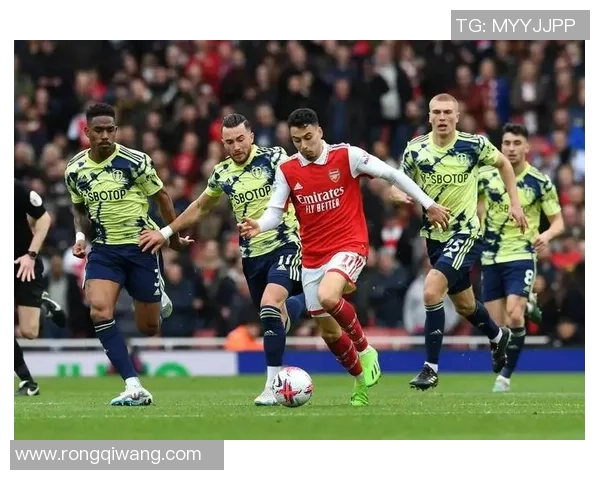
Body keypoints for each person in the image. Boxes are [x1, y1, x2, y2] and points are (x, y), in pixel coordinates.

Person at [239, 108, 450, 406]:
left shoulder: (347, 156)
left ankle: (365, 350)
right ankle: (360, 380)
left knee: (328, 296)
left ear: (320, 131)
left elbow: (391, 174)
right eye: (297, 140)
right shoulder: (288, 169)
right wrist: (259, 225)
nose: (304, 145)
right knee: (328, 331)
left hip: (349, 245)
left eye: (308, 137)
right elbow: (275, 212)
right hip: (312, 256)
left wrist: (428, 204)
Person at [140, 113, 306, 406]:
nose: (236, 146)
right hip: (251, 256)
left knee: (269, 306)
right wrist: (166, 232)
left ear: (251, 136)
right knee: (276, 316)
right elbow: (200, 207)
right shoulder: (222, 172)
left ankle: (272, 387)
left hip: (285, 245)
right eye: (229, 142)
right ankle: (309, 298)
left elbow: (305, 183)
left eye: (240, 139)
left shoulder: (275, 158)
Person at [390, 93, 528, 390]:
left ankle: (430, 368)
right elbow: (396, 184)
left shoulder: (474, 145)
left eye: (447, 112)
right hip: (434, 237)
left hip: (466, 233)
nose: (442, 117)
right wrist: (398, 195)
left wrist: (515, 204)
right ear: (429, 116)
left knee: (431, 290)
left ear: (457, 116)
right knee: (465, 305)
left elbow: (504, 164)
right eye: (436, 112)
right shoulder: (415, 149)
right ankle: (498, 336)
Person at [64, 103, 191, 406]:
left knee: (149, 328)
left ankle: (158, 294)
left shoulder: (135, 162)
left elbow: (162, 197)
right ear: (87, 132)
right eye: (99, 130)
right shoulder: (75, 169)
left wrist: (171, 237)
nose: (105, 135)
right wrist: (80, 237)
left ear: (116, 131)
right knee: (99, 311)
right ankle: (132, 384)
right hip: (104, 249)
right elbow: (79, 209)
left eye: (110, 130)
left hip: (141, 247)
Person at [478, 123, 564, 392]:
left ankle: (504, 378)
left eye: (517, 143)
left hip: (522, 254)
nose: (511, 148)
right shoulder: (485, 176)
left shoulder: (539, 182)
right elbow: (471, 206)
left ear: (527, 147)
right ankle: (527, 305)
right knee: (498, 327)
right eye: (507, 143)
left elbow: (558, 222)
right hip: (490, 257)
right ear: (500, 147)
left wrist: (546, 236)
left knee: (514, 315)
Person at [14, 179, 51, 396]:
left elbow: (44, 218)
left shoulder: (15, 189)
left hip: (23, 264)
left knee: (29, 332)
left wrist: (31, 255)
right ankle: (28, 381)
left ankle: (43, 303)